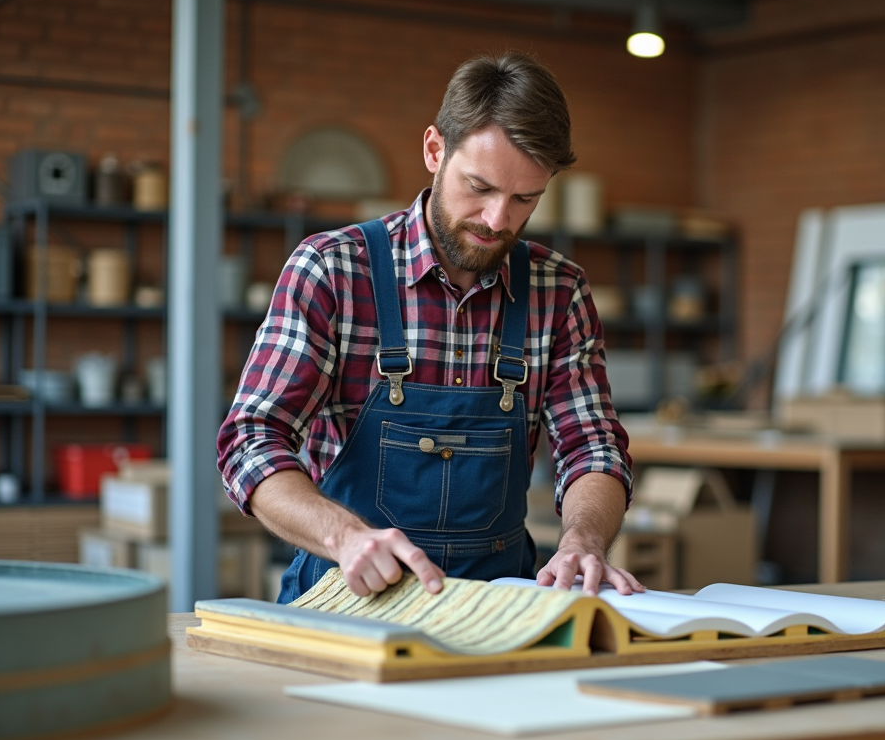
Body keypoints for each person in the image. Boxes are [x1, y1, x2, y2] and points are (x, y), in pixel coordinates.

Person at [218, 51, 639, 603]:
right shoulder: (333, 269)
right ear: (434, 149)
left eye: (524, 199)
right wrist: (344, 537)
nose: (498, 219)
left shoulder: (558, 292)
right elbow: (250, 441)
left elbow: (594, 448)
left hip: (500, 606)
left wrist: (583, 541)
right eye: (480, 187)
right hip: (350, 602)